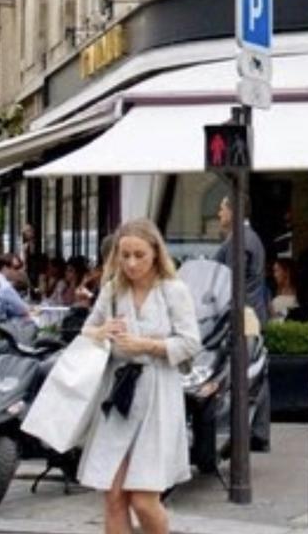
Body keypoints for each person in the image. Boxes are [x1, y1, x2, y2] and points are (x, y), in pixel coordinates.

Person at [78, 218, 201, 534]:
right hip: (117, 395)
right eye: (125, 255)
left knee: (144, 500)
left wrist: (146, 344)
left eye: (139, 255)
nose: (131, 263)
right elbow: (87, 330)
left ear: (156, 253)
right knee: (114, 496)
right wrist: (101, 332)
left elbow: (190, 342)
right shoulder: (112, 291)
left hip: (158, 395)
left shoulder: (174, 291)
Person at [214, 195, 269, 324]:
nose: (219, 214)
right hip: (248, 317)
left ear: (233, 211)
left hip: (244, 322)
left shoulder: (240, 239)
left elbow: (231, 280)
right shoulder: (247, 237)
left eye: (222, 209)